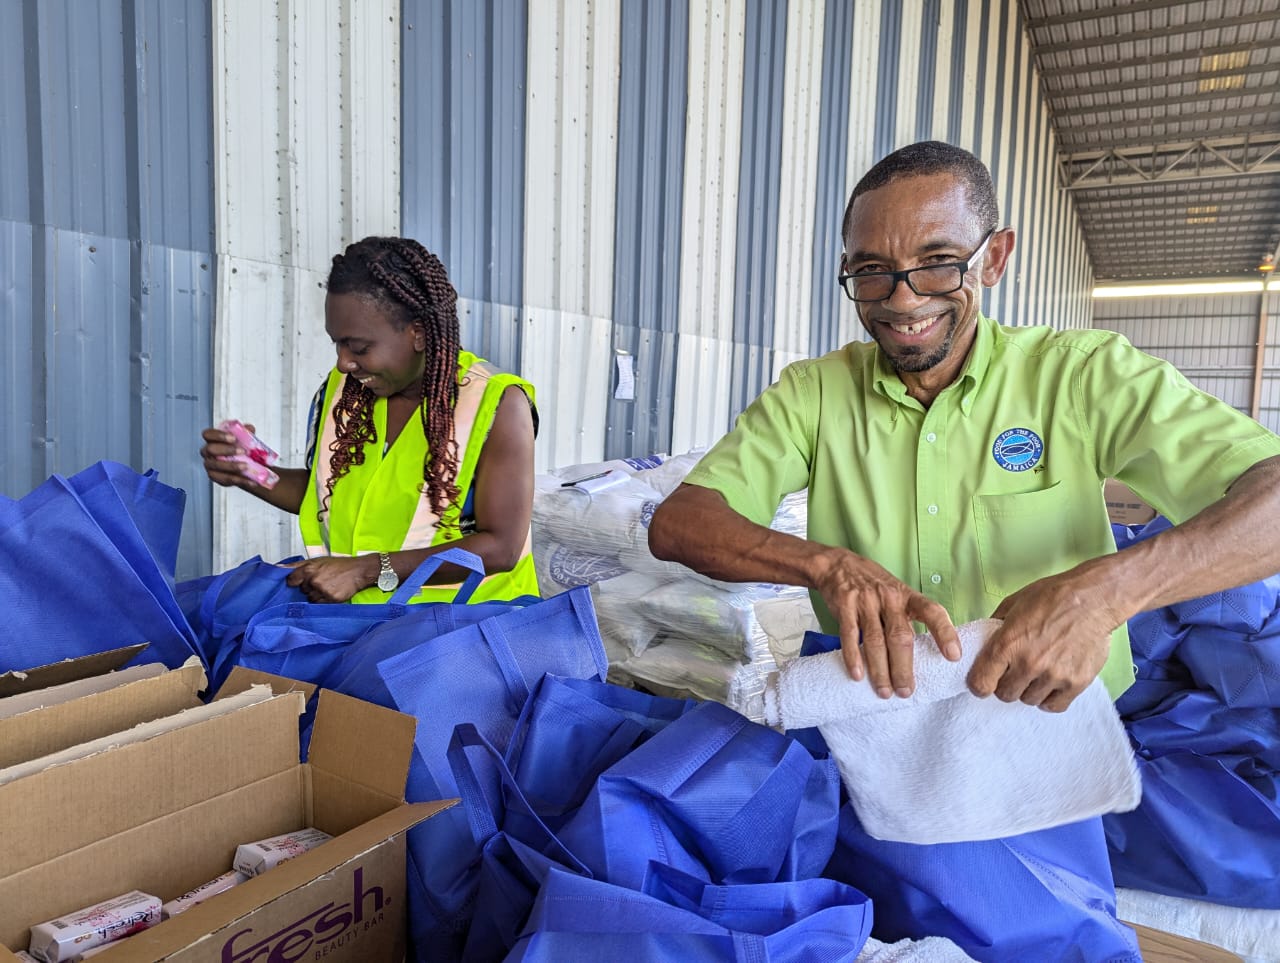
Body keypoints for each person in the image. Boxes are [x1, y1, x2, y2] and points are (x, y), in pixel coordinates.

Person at [649, 140, 1280, 713]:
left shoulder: (1083, 377)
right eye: (872, 271)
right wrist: (826, 565)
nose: (903, 299)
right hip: (878, 713)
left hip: (1055, 718)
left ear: (995, 258)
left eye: (938, 262)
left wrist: (1101, 596)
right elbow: (682, 523)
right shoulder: (813, 394)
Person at [201, 236, 540, 604]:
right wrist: (250, 473)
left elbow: (501, 547)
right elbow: (329, 497)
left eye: (360, 348)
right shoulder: (344, 394)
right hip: (359, 620)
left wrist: (367, 570)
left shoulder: (497, 404)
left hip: (459, 634)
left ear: (419, 334)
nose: (343, 362)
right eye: (338, 344)